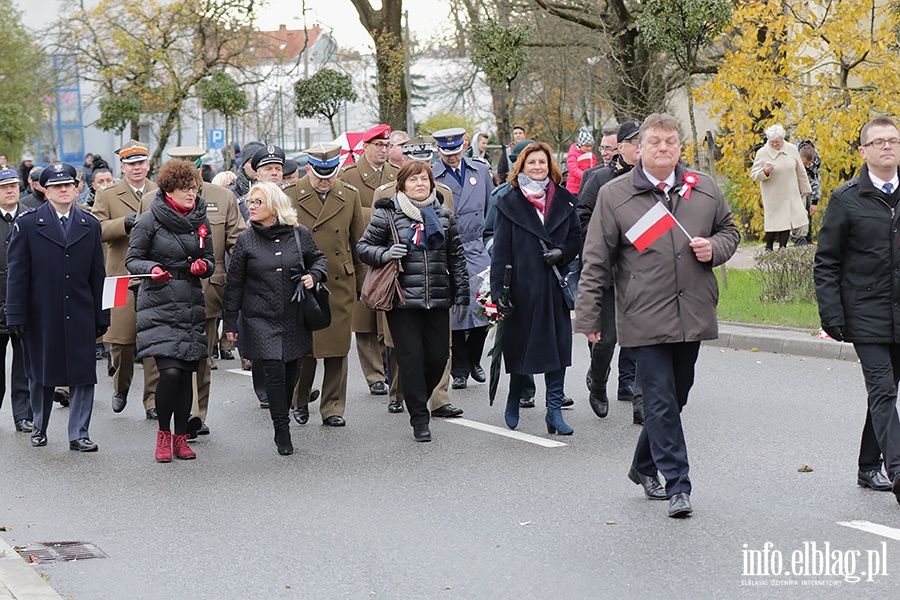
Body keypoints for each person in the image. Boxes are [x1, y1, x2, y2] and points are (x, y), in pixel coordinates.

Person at [575, 113, 739, 518]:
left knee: (678, 393)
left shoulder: (702, 189)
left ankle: (643, 464)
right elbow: (595, 260)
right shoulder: (615, 195)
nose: (663, 148)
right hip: (642, 315)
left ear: (680, 147)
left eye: (670, 141)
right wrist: (590, 318)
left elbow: (730, 231)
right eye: (655, 142)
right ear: (639, 148)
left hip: (693, 309)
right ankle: (678, 484)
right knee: (659, 402)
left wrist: (715, 249)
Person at [814, 116, 900, 503]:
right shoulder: (845, 198)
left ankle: (868, 466)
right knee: (882, 390)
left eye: (893, 141)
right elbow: (827, 261)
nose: (888, 147)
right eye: (879, 141)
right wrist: (832, 316)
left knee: (886, 392)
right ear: (863, 151)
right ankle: (897, 470)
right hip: (865, 313)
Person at [357, 160, 469, 442]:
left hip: (438, 300)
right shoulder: (388, 213)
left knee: (438, 357)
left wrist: (463, 292)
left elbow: (456, 256)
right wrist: (385, 254)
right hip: (402, 300)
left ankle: (418, 395)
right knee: (410, 358)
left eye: (424, 179)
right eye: (413, 180)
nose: (420, 184)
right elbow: (363, 247)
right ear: (402, 185)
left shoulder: (443, 214)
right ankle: (419, 417)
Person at [7, 162, 110, 451]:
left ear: (77, 189)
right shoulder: (27, 224)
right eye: (56, 186)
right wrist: (15, 313)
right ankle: (39, 426)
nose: (63, 190)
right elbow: (17, 274)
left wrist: (102, 313)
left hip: (79, 310)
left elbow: (97, 274)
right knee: (42, 373)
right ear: (45, 190)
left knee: (83, 373)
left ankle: (79, 432)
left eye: (68, 185)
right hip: (43, 313)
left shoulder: (89, 224)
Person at [224, 182, 327, 455]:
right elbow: (234, 283)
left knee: (291, 370)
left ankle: (284, 414)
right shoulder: (246, 239)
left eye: (258, 202)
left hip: (294, 315)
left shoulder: (298, 234)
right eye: (250, 202)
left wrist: (313, 276)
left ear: (274, 206)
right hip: (260, 317)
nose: (251, 206)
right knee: (274, 371)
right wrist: (231, 322)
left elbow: (318, 259)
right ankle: (282, 430)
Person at [126, 160, 215, 462]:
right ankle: (163, 436)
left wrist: (204, 266)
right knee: (171, 372)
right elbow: (133, 260)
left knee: (187, 372)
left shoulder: (200, 219)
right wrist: (152, 268)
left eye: (194, 188)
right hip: (159, 301)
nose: (192, 193)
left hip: (189, 300)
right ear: (169, 190)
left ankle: (181, 438)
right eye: (185, 189)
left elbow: (210, 258)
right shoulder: (149, 219)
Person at [490, 142, 581, 434]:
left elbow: (576, 240)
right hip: (521, 290)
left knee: (558, 349)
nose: (538, 167)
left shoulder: (565, 200)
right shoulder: (509, 202)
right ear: (522, 168)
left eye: (542, 162)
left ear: (550, 166)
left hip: (554, 288)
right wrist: (497, 294)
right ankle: (515, 395)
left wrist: (562, 253)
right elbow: (500, 252)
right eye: (532, 163)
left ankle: (554, 411)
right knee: (520, 348)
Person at [166, 147, 247, 438]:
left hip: (209, 289)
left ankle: (197, 414)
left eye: (196, 170)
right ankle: (181, 411)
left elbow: (238, 242)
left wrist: (240, 281)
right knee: (177, 358)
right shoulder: (154, 199)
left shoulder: (223, 197)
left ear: (202, 169)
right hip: (170, 292)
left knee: (202, 356)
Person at [284, 143, 366, 427]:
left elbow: (358, 243)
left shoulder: (349, 195)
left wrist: (362, 283)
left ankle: (333, 407)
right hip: (303, 281)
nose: (325, 179)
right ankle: (300, 397)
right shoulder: (289, 194)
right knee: (306, 349)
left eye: (330, 173)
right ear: (308, 168)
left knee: (337, 348)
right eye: (319, 173)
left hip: (339, 281)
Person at [576, 120, 645, 424]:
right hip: (610, 271)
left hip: (645, 275)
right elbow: (580, 220)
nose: (641, 148)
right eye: (635, 142)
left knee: (646, 339)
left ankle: (642, 401)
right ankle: (598, 380)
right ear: (621, 147)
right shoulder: (599, 178)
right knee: (606, 340)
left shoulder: (656, 180)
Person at [92, 140, 159, 419]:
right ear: (123, 167)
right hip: (119, 277)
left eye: (141, 163)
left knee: (155, 342)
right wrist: (123, 224)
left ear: (148, 165)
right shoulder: (108, 195)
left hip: (153, 275)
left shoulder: (159, 190)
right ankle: (121, 386)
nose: (137, 168)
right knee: (121, 342)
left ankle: (153, 401)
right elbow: (95, 229)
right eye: (131, 164)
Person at [431, 127, 494, 390]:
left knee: (484, 306)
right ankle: (459, 368)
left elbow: (492, 208)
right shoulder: (432, 175)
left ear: (464, 147)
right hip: (448, 248)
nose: (452, 157)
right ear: (439, 151)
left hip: (477, 246)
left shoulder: (480, 171)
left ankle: (474, 359)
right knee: (455, 310)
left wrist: (491, 242)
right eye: (447, 153)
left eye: (456, 151)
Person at [339, 124, 399, 397]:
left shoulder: (397, 175)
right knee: (363, 319)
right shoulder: (349, 175)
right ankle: (374, 375)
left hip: (390, 254)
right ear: (366, 146)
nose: (384, 151)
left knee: (388, 315)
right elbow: (345, 215)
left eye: (387, 146)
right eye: (379, 146)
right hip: (362, 254)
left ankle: (388, 369)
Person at [0, 169, 32, 433]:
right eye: (4, 187)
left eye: (14, 186)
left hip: (24, 304)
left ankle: (23, 415)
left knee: (23, 364)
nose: (10, 190)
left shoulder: (31, 217)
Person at [750, 124, 811, 251]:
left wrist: (805, 188)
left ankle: (782, 248)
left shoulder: (792, 149)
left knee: (787, 221)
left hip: (790, 192)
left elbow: (800, 170)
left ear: (782, 139)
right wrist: (765, 171)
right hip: (773, 194)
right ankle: (769, 247)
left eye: (777, 142)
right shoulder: (762, 153)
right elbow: (754, 175)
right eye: (772, 142)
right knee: (774, 223)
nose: (775, 145)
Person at [797, 140, 820, 245]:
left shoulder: (816, 160)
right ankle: (798, 238)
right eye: (805, 163)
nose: (807, 166)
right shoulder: (793, 154)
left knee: (808, 209)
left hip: (808, 183)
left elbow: (815, 179)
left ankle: (808, 238)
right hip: (794, 182)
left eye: (809, 164)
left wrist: (814, 202)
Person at [565, 127, 597, 194]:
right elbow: (573, 168)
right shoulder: (573, 154)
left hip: (587, 187)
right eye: (586, 146)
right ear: (580, 145)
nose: (589, 148)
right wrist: (585, 175)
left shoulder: (592, 156)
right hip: (574, 189)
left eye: (591, 146)